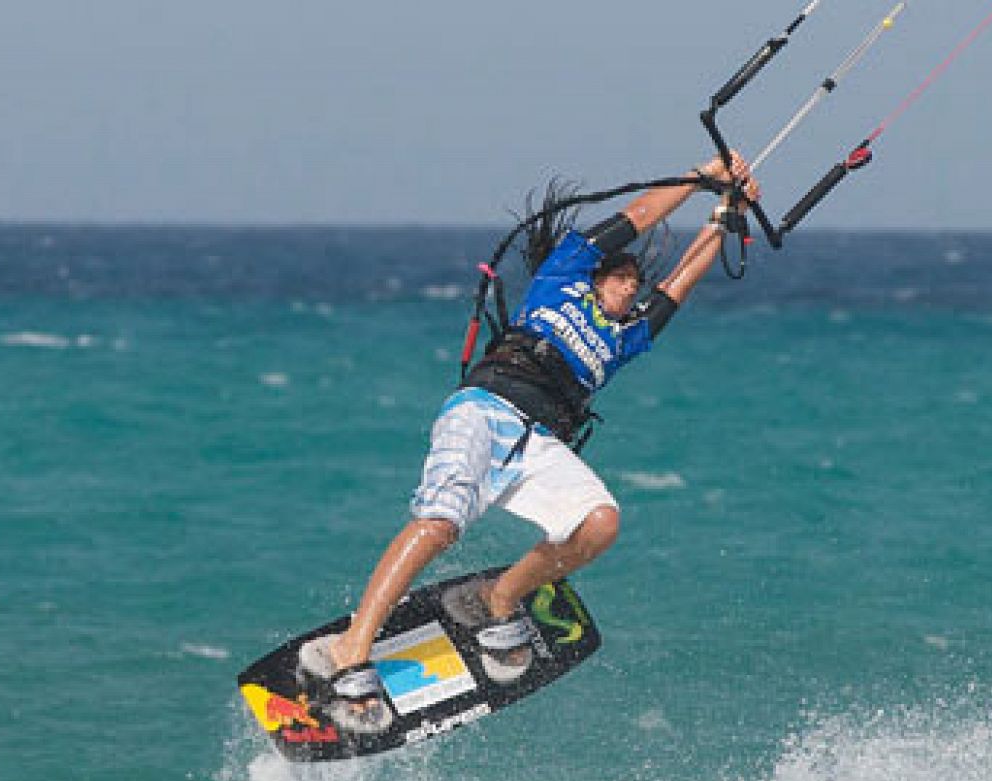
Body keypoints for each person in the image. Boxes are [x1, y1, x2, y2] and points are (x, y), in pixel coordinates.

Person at [299, 152, 761, 727]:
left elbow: (680, 285)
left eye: (635, 282)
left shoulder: (625, 339)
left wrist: (726, 216)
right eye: (620, 276)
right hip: (484, 410)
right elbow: (639, 215)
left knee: (600, 522)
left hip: (538, 442)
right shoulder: (561, 277)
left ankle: (497, 598)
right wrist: (700, 177)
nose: (630, 285)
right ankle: (352, 648)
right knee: (441, 524)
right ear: (596, 277)